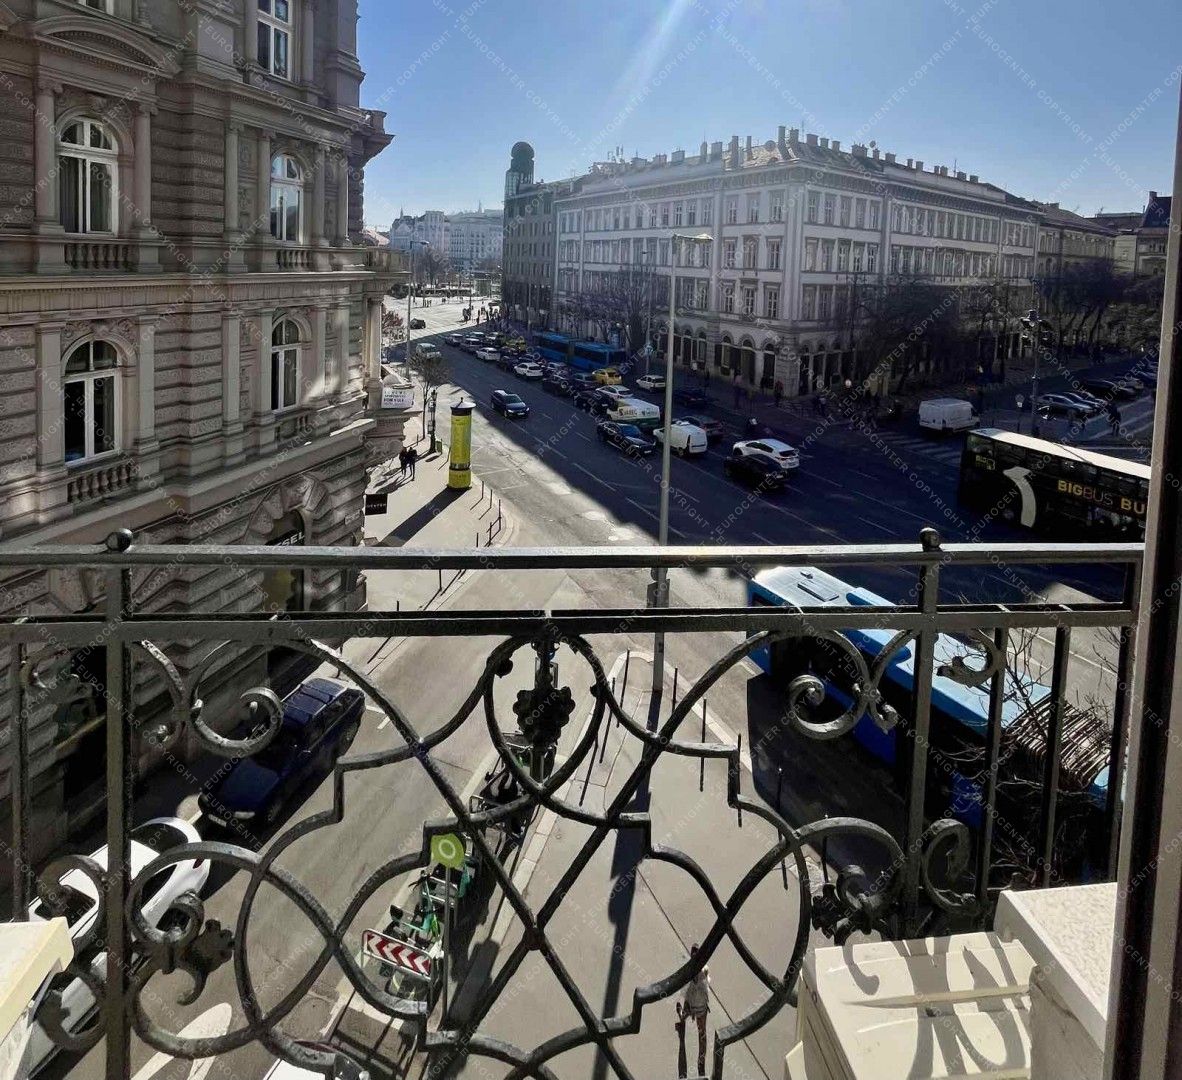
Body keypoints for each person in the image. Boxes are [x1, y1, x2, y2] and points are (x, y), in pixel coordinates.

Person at [676, 944, 710, 1078]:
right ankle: (681, 1023)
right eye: (693, 954)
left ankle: (701, 1062)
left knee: (702, 1034)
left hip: (700, 1006)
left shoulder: (703, 969)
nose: (694, 956)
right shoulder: (689, 968)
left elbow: (704, 979)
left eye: (696, 954)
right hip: (690, 1002)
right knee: (684, 1016)